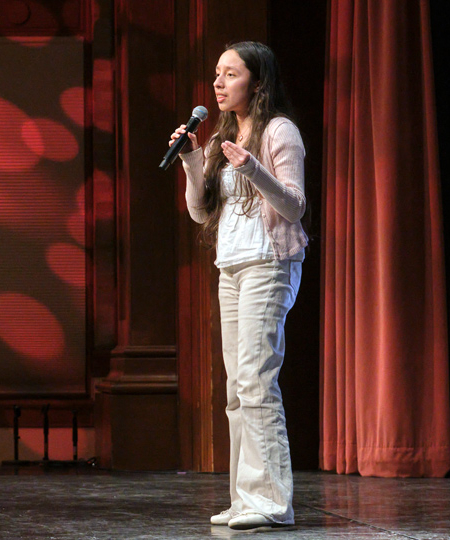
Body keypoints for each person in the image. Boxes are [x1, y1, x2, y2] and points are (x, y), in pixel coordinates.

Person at [169, 41, 306, 530]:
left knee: (256, 380)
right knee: (235, 388)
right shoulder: (221, 133)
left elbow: (293, 205)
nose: (218, 83)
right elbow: (201, 211)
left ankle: (273, 501)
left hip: (271, 262)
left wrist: (253, 169)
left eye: (230, 74)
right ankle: (246, 498)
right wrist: (190, 160)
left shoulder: (279, 131)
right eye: (217, 74)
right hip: (231, 267)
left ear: (257, 81)